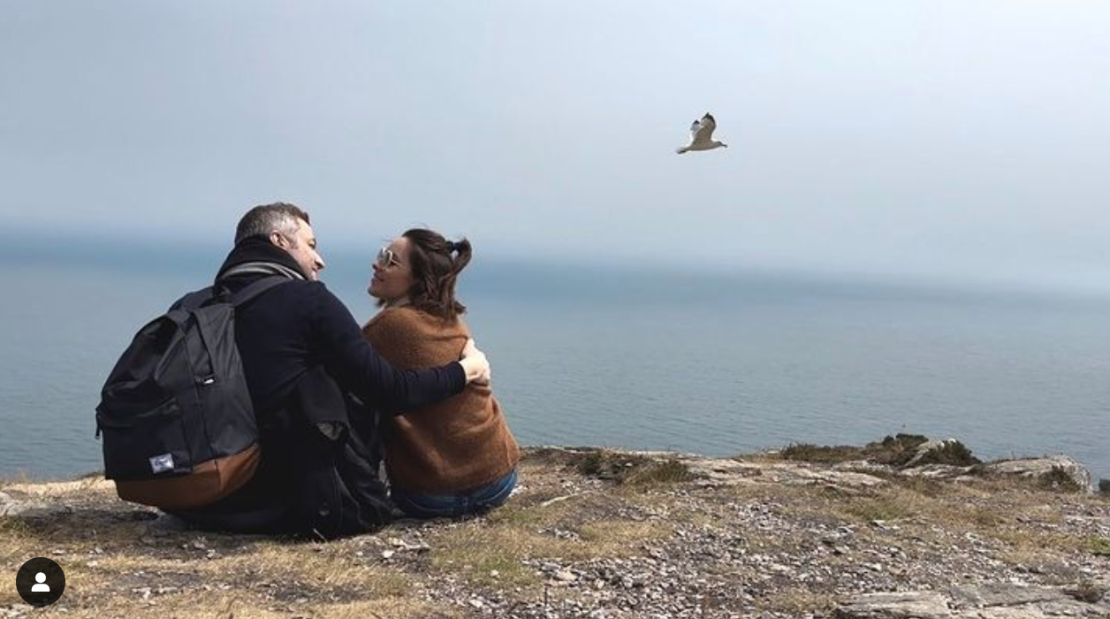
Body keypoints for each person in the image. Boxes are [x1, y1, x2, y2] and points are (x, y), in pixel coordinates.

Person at [171, 203, 491, 536]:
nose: (320, 260)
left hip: (200, 497)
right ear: (279, 241)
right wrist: (466, 371)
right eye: (311, 245)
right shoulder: (310, 301)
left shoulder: (193, 307)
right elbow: (389, 391)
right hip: (286, 502)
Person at [362, 228, 520, 518]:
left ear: (418, 280)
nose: (378, 264)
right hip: (498, 480)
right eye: (381, 255)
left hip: (429, 495)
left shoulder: (385, 328)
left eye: (390, 261)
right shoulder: (451, 320)